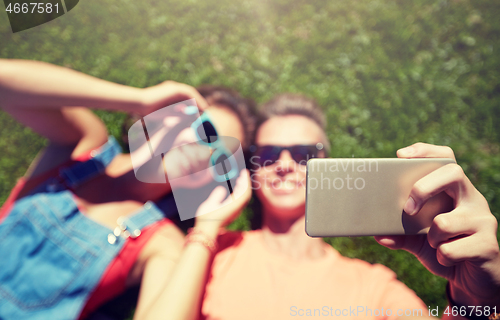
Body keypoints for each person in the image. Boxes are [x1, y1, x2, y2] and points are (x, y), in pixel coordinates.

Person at [141, 93, 500, 320]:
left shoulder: (373, 288)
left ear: (327, 164)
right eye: (266, 155)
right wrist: (205, 228)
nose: (284, 165)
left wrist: (476, 301)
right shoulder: (207, 252)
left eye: (302, 155)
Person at [0, 59, 255, 320]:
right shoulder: (85, 145)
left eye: (222, 158)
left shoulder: (161, 244)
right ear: (175, 114)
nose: (206, 153)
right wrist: (139, 99)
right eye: (207, 131)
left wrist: (207, 228)